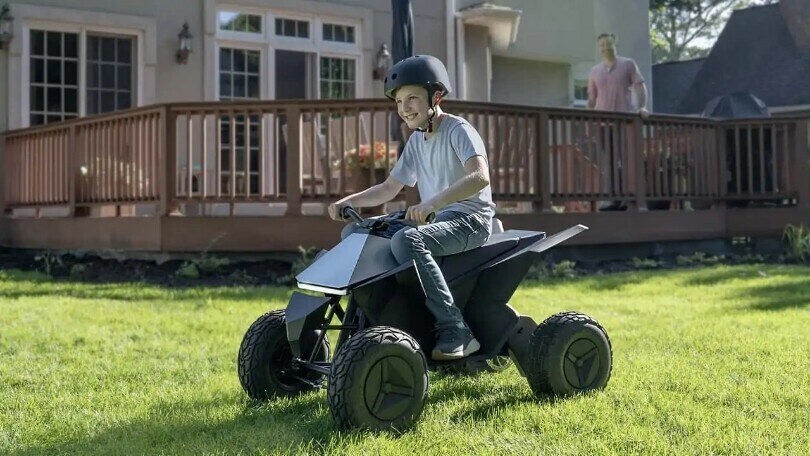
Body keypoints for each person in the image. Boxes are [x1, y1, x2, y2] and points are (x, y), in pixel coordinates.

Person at [327, 55, 496, 361]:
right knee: (356, 231)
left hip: (471, 219)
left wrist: (433, 202)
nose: (405, 108)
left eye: (413, 98)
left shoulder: (458, 130)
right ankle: (368, 324)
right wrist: (350, 201)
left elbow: (480, 177)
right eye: (399, 101)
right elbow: (389, 188)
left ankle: (456, 329)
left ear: (436, 97)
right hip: (436, 217)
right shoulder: (417, 141)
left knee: (406, 239)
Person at [588, 33, 649, 211]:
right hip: (602, 123)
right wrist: (586, 116)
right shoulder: (594, 71)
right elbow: (592, 99)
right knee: (609, 162)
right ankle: (613, 199)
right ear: (599, 48)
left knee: (625, 160)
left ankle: (626, 197)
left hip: (624, 121)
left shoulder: (628, 64)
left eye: (608, 44)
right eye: (602, 45)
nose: (605, 47)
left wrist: (642, 107)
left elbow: (639, 86)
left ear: (615, 44)